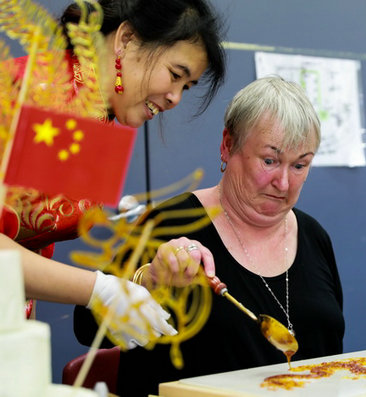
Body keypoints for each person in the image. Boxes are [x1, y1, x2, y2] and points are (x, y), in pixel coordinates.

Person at [73, 76, 345, 397]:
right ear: (228, 146)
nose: (284, 183)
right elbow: (88, 325)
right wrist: (150, 280)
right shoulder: (170, 224)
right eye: (270, 161)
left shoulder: (314, 236)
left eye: (300, 165)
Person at [2, 0, 226, 347]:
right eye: (175, 75)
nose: (175, 98)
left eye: (186, 87)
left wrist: (145, 278)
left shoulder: (101, 120)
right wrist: (98, 289)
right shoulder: (32, 90)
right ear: (126, 40)